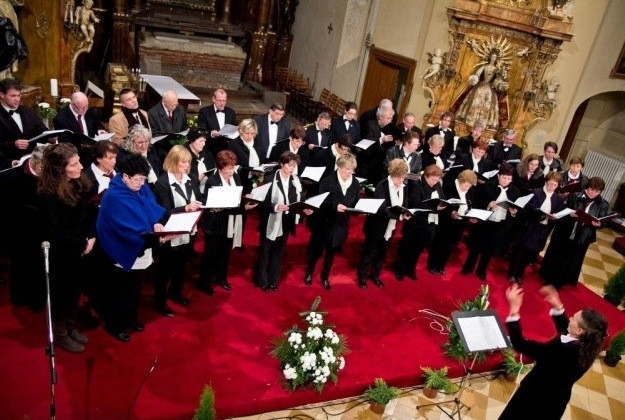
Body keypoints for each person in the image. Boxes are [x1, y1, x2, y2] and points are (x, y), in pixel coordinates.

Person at [95, 153, 177, 342]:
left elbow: (153, 210)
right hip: (121, 249)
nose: (141, 183)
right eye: (137, 179)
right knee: (119, 291)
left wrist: (158, 223)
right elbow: (126, 228)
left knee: (134, 287)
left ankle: (130, 318)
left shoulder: (141, 188)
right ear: (125, 176)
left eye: (144, 179)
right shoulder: (114, 196)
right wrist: (160, 239)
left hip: (140, 247)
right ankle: (115, 326)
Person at [500, 284, 608, 420]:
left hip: (533, 401)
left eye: (574, 318)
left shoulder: (560, 353)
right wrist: (558, 306)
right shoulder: (589, 345)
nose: (570, 318)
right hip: (554, 403)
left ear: (580, 331)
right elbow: (568, 331)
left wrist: (514, 310)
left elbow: (520, 344)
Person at [38, 143, 96, 353]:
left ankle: (71, 326)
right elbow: (54, 232)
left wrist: (91, 236)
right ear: (60, 169)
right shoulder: (48, 195)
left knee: (74, 291)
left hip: (79, 247)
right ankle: (60, 333)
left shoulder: (78, 183)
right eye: (74, 164)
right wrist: (81, 243)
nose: (80, 166)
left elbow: (89, 213)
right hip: (60, 254)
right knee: (61, 294)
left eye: (79, 161)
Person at [153, 145, 203, 316]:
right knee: (165, 270)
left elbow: (198, 199)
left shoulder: (191, 179)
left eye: (188, 162)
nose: (187, 165)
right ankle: (160, 302)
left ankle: (176, 293)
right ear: (173, 161)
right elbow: (164, 211)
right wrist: (185, 208)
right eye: (183, 162)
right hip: (170, 233)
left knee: (182, 266)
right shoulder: (162, 183)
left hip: (188, 230)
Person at [199, 150, 257, 295]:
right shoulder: (212, 181)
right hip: (215, 223)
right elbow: (206, 202)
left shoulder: (235, 176)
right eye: (229, 168)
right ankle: (205, 282)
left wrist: (244, 204)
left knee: (225, 251)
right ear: (220, 167)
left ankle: (221, 277)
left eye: (233, 167)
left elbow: (237, 198)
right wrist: (214, 207)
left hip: (230, 221)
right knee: (210, 254)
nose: (232, 171)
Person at [539, 177, 610, 289]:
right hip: (567, 229)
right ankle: (549, 277)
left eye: (596, 191)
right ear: (587, 188)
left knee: (572, 259)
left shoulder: (603, 204)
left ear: (600, 192)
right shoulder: (575, 196)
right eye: (591, 189)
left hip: (584, 235)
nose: (592, 193)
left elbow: (604, 221)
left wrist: (599, 224)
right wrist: (570, 214)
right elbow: (563, 209)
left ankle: (560, 282)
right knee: (559, 254)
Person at [255, 151, 310, 291]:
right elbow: (261, 202)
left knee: (279, 252)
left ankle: (273, 281)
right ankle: (262, 281)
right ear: (281, 164)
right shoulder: (270, 179)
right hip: (271, 219)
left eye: (294, 166)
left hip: (286, 220)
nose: (292, 169)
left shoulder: (296, 180)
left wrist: (304, 208)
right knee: (265, 252)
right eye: (290, 165)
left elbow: (300, 199)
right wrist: (275, 207)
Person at [304, 153, 359, 290]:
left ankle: (325, 277)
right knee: (317, 251)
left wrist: (359, 208)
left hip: (341, 224)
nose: (350, 172)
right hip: (325, 222)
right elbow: (321, 202)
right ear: (340, 167)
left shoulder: (355, 183)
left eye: (352, 169)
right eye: (347, 169)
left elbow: (356, 201)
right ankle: (309, 273)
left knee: (331, 252)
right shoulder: (327, 181)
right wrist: (335, 207)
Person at [1, 145, 46, 310]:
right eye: (44, 167)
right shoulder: (11, 178)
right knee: (20, 265)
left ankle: (37, 298)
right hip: (18, 230)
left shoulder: (51, 176)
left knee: (39, 266)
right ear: (35, 162)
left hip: (42, 230)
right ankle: (20, 297)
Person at [357, 159, 411, 288]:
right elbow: (382, 209)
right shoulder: (382, 185)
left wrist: (405, 212)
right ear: (392, 174)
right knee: (369, 251)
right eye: (399, 177)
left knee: (382, 252)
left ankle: (375, 274)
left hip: (390, 226)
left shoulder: (403, 187)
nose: (401, 180)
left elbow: (405, 203)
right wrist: (399, 215)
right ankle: (362, 275)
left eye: (403, 177)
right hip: (376, 225)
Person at [461, 163, 519, 281]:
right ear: (498, 176)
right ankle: (468, 267)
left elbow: (516, 209)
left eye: (509, 179)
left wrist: (513, 212)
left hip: (500, 224)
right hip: (484, 222)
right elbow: (477, 201)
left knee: (489, 249)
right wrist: (488, 204)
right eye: (504, 178)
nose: (506, 181)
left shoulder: (514, 191)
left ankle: (481, 271)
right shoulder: (487, 186)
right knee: (476, 247)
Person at [507, 171, 565, 284]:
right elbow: (526, 210)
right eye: (550, 184)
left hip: (542, 230)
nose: (552, 186)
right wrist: (540, 215)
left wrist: (554, 217)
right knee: (520, 251)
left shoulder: (558, 198)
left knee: (529, 254)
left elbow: (558, 213)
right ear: (546, 182)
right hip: (529, 226)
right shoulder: (535, 192)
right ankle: (512, 273)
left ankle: (519, 274)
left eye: (555, 185)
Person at [394, 164, 446, 281]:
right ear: (426, 176)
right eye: (432, 179)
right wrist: (434, 208)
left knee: (418, 248)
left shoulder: (437, 185)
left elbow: (442, 197)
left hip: (428, 222)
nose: (434, 182)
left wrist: (442, 204)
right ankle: (400, 269)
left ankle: (410, 269)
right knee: (407, 247)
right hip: (415, 222)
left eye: (437, 180)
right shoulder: (417, 184)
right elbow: (415, 202)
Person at [428, 169, 478, 275]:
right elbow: (441, 205)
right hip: (445, 223)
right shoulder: (449, 188)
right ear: (460, 180)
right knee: (439, 244)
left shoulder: (470, 192)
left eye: (469, 186)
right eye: (465, 185)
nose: (467, 187)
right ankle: (432, 265)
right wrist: (451, 212)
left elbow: (469, 206)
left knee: (450, 246)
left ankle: (441, 266)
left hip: (459, 224)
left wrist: (469, 217)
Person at [452, 52, 509, 129]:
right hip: (480, 87)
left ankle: (482, 125)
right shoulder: (484, 66)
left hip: (490, 90)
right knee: (475, 101)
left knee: (488, 105)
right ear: (490, 57)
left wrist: (501, 80)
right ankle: (469, 122)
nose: (493, 58)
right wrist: (474, 78)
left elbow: (498, 80)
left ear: (496, 59)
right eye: (492, 57)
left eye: (495, 57)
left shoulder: (497, 69)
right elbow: (477, 74)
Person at [0, 78, 47, 161]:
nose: (17, 99)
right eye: (13, 96)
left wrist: (50, 137)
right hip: (9, 162)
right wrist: (13, 144)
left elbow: (41, 130)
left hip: (32, 159)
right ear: (2, 95)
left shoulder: (28, 111)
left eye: (19, 95)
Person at [357, 107, 395, 183]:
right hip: (366, 164)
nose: (389, 121)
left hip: (378, 167)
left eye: (391, 119)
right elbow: (368, 147)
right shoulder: (370, 125)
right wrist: (381, 140)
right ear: (380, 117)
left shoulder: (389, 128)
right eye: (387, 118)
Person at [197, 88, 237, 157]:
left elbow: (233, 129)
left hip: (226, 150)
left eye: (224, 101)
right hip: (210, 149)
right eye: (219, 100)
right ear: (213, 99)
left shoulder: (231, 112)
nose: (222, 103)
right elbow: (201, 130)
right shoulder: (204, 112)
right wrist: (211, 133)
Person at [228, 118, 263, 194]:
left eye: (252, 133)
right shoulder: (233, 144)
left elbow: (261, 158)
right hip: (241, 181)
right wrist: (251, 171)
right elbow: (233, 166)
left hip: (257, 180)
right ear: (241, 131)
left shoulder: (257, 142)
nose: (250, 136)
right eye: (247, 133)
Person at [85, 140, 117, 205]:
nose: (114, 162)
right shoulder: (87, 179)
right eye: (110, 158)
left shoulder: (117, 170)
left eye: (115, 157)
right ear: (98, 159)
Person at [184, 129, 215, 196]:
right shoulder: (183, 155)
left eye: (204, 141)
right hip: (190, 192)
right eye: (200, 141)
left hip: (207, 190)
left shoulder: (207, 154)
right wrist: (198, 179)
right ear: (192, 141)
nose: (203, 144)